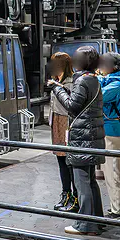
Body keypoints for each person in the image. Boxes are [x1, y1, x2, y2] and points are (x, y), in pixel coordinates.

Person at [51, 46, 105, 236]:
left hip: (82, 138)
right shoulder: (93, 79)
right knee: (90, 182)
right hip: (92, 137)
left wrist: (57, 89)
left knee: (82, 183)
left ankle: (85, 225)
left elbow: (72, 106)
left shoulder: (82, 80)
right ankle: (97, 221)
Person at [98, 52, 120, 221]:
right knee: (116, 172)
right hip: (111, 131)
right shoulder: (112, 81)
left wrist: (95, 79)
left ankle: (119, 211)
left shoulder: (116, 85)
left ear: (113, 67)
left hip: (112, 132)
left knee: (114, 173)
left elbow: (98, 96)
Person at [46, 52, 77, 212]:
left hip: (66, 123)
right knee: (61, 161)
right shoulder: (58, 81)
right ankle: (66, 194)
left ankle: (75, 197)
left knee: (69, 162)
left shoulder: (71, 83)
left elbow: (69, 105)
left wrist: (57, 87)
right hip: (57, 122)